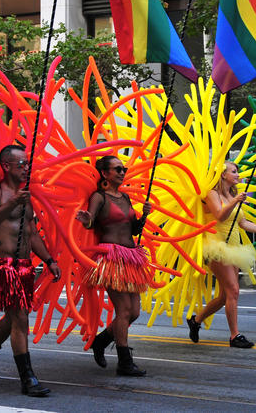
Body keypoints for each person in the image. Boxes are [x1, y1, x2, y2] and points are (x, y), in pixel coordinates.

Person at [0, 145, 61, 397]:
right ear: (6, 166)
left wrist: (49, 260)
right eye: (21, 164)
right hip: (3, 266)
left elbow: (32, 233)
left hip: (25, 266)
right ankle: (28, 379)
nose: (26, 168)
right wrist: (13, 203)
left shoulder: (26, 196)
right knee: (19, 319)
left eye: (27, 164)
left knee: (13, 319)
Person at [186, 161, 256, 348]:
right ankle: (234, 336)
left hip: (234, 248)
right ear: (222, 175)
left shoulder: (230, 195)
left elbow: (243, 223)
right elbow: (220, 216)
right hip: (216, 247)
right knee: (234, 291)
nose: (238, 175)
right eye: (234, 171)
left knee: (225, 296)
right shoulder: (211, 194)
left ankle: (196, 321)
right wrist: (236, 201)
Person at [75, 155, 153, 376]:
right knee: (124, 310)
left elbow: (134, 229)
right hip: (111, 258)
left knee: (135, 312)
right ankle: (124, 361)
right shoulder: (99, 197)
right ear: (105, 174)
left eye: (123, 168)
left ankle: (100, 341)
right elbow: (91, 221)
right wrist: (85, 219)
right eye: (117, 169)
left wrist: (144, 216)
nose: (122, 172)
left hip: (131, 257)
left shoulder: (125, 197)